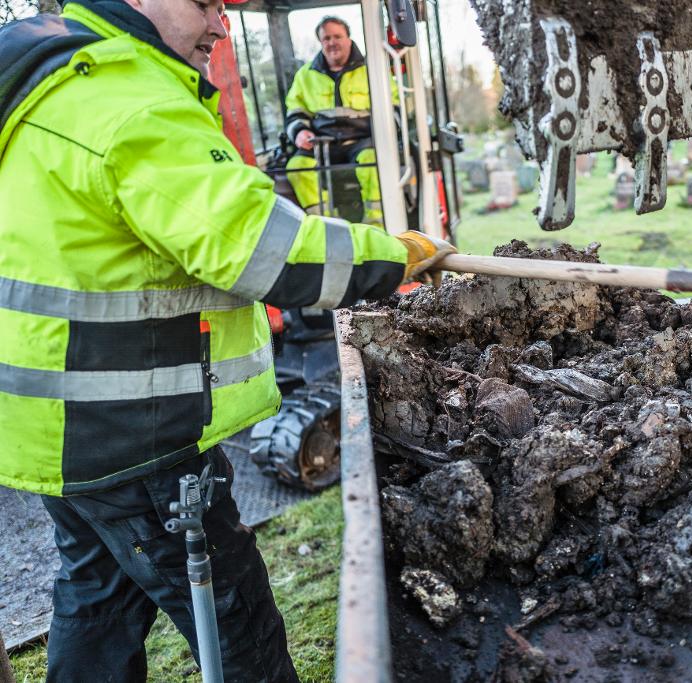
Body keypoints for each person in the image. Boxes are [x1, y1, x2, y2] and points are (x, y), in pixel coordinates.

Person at [0, 1, 454, 681]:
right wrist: (396, 252)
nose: (220, 24)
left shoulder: (51, 76)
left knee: (97, 603)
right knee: (241, 632)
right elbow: (270, 251)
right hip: (136, 437)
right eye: (207, 3)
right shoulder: (133, 100)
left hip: (51, 432)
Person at [285, 16, 390, 223]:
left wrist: (384, 134)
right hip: (322, 144)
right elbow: (295, 111)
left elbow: (393, 106)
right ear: (321, 42)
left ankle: (377, 227)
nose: (332, 42)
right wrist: (300, 132)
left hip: (362, 141)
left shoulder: (373, 70)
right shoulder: (305, 76)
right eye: (326, 38)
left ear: (348, 39)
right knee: (297, 166)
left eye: (337, 36)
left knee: (375, 161)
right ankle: (328, 227)